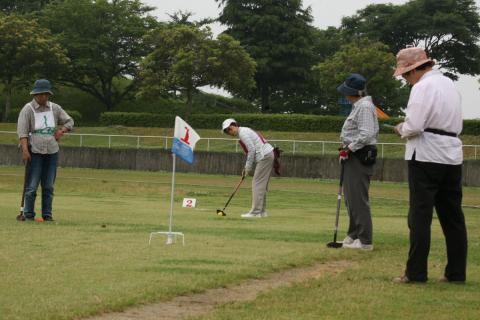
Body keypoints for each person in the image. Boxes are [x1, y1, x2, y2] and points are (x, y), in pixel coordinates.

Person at [392, 47, 468, 284]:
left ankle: (416, 273)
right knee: (453, 216)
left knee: (420, 216)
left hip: (425, 155)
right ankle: (456, 273)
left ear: (414, 70)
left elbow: (414, 125)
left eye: (405, 75)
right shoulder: (449, 85)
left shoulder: (421, 87)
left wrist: (400, 129)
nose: (405, 79)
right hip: (451, 155)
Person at [16, 79, 74, 222]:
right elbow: (22, 133)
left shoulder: (55, 108)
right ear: (35, 94)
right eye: (40, 94)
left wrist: (62, 130)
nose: (43, 97)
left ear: (48, 94)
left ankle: (47, 215)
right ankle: (28, 214)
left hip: (52, 151)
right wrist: (25, 150)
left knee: (48, 186)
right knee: (32, 186)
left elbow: (70, 121)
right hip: (34, 151)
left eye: (46, 94)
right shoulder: (27, 109)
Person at [337, 73, 379, 251]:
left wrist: (350, 148)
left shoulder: (364, 107)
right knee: (351, 198)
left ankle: (365, 240)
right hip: (353, 154)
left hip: (359, 155)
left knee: (358, 198)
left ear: (354, 92)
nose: (344, 95)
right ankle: (353, 234)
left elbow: (367, 134)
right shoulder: (359, 106)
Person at [222, 118, 274, 218]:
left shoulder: (243, 133)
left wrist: (247, 168)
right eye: (226, 131)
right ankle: (262, 212)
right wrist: (247, 168)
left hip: (265, 156)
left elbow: (251, 150)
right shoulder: (244, 131)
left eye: (229, 129)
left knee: (257, 183)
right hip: (267, 155)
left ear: (234, 125)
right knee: (261, 184)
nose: (229, 132)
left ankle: (255, 212)